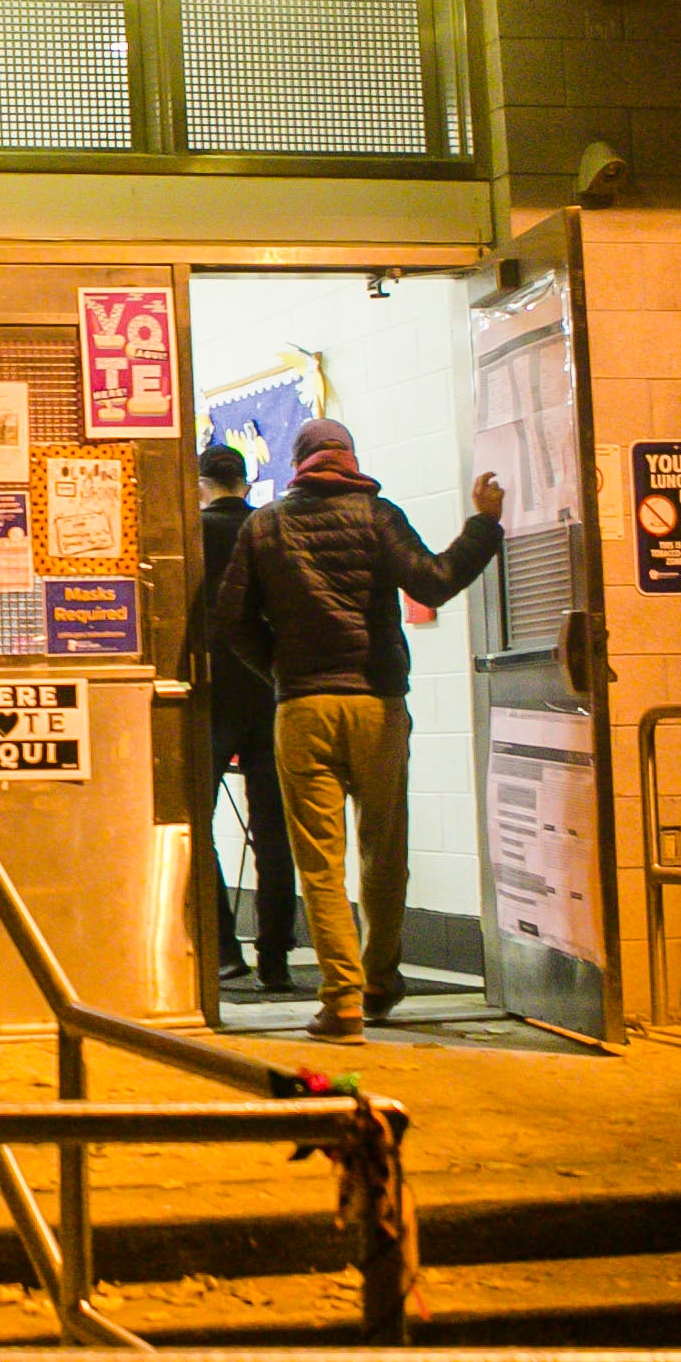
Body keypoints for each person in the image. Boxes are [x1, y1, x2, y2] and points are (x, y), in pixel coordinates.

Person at [210, 418, 505, 1042]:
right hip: (376, 702)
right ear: (349, 458)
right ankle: (378, 981)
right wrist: (482, 524)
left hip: (304, 708)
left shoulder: (266, 524)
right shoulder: (378, 514)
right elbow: (433, 580)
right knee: (383, 852)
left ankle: (340, 1002)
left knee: (320, 862)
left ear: (298, 462)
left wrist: (279, 669)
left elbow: (231, 618)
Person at [186, 443, 296, 996]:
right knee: (274, 829)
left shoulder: (191, 533)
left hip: (210, 694)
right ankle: (276, 958)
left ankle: (224, 951)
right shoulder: (271, 528)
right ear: (245, 483)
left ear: (200, 483)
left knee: (194, 822)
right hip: (271, 689)